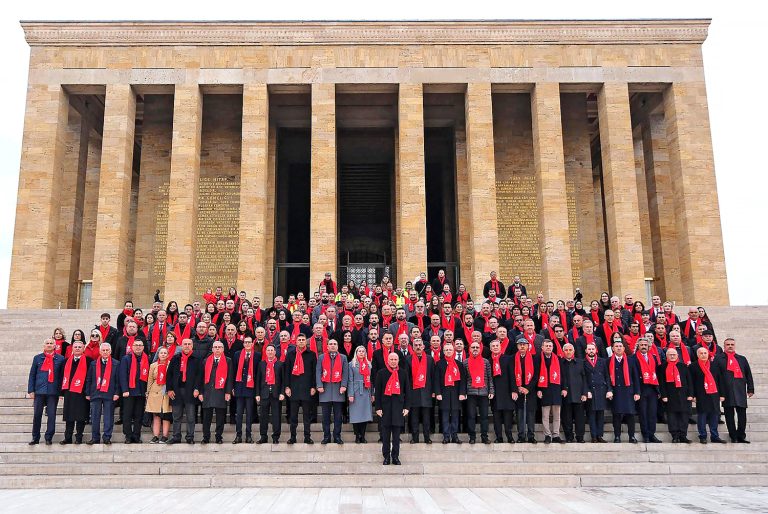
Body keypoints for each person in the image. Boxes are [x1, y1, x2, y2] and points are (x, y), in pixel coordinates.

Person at [375, 352, 411, 465]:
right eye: (391, 359)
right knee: (385, 436)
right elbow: (378, 392)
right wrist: (378, 407)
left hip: (398, 408)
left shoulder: (403, 373)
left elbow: (408, 392)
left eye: (395, 359)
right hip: (385, 409)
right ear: (388, 360)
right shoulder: (381, 373)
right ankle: (386, 457)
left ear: (398, 360)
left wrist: (406, 407)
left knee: (396, 436)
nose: (393, 361)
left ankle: (395, 456)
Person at [718, 338, 755, 443]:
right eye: (728, 344)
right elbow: (717, 376)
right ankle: (733, 436)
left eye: (732, 344)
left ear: (735, 346)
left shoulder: (742, 359)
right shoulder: (718, 359)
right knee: (729, 415)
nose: (730, 346)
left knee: (742, 415)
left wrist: (750, 388)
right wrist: (720, 392)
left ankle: (741, 436)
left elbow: (748, 374)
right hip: (726, 391)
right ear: (724, 346)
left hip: (740, 390)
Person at [285, 333, 318, 444]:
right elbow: (287, 371)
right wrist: (287, 387)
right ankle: (293, 437)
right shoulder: (290, 355)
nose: (301, 341)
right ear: (296, 341)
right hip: (293, 389)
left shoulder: (311, 354)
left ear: (306, 341)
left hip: (307, 389)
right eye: (299, 340)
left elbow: (314, 372)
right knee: (293, 416)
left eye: (303, 339)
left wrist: (314, 386)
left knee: (306, 416)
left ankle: (307, 437)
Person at [167, 338, 201, 444]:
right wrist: (169, 389)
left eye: (189, 344)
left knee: (191, 417)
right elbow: (169, 375)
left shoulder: (197, 359)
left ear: (192, 346)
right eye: (185, 344)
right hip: (177, 391)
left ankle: (190, 437)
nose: (187, 346)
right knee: (176, 416)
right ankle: (176, 436)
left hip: (190, 391)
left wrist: (197, 389)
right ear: (181, 346)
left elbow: (199, 376)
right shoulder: (175, 358)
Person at [198, 341, 234, 444]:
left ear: (223, 349)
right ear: (212, 349)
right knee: (206, 418)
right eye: (215, 347)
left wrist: (228, 392)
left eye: (219, 347)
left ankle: (219, 437)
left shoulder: (228, 361)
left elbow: (230, 378)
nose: (217, 349)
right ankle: (206, 437)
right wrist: (200, 392)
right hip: (207, 393)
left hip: (221, 392)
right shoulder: (206, 361)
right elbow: (201, 378)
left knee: (220, 417)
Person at [690, 346, 726, 444]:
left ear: (708, 354)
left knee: (714, 416)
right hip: (701, 394)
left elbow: (719, 380)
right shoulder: (693, 366)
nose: (703, 355)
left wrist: (722, 394)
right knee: (702, 416)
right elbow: (691, 382)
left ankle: (715, 436)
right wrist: (692, 395)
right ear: (697, 355)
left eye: (705, 353)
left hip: (714, 393)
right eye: (701, 353)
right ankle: (703, 436)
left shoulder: (714, 365)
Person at [85, 342, 120, 445]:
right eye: (103, 350)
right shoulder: (93, 363)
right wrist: (87, 393)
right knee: (95, 417)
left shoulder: (116, 363)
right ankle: (95, 438)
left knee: (108, 417)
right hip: (96, 393)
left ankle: (107, 437)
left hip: (110, 394)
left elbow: (118, 380)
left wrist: (117, 393)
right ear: (100, 351)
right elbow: (89, 379)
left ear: (110, 351)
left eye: (107, 350)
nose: (105, 352)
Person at [316, 339, 349, 444]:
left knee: (338, 417)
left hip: (338, 391)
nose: (333, 345)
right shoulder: (321, 357)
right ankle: (326, 436)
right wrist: (319, 385)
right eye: (331, 344)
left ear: (338, 346)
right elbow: (318, 372)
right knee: (325, 417)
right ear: (327, 346)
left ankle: (337, 436)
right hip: (325, 390)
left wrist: (344, 385)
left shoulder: (343, 358)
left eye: (335, 344)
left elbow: (345, 373)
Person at [608, 339, 640, 443]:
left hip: (628, 391)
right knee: (616, 415)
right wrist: (609, 390)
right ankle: (617, 436)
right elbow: (607, 378)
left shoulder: (631, 360)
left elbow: (635, 378)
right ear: (613, 348)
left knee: (630, 414)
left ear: (624, 348)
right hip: (615, 391)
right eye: (616, 346)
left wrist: (637, 392)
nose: (618, 348)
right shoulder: (608, 361)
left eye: (620, 346)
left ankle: (632, 436)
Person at [659, 348, 693, 443]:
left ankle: (683, 436)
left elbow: (689, 381)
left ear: (678, 355)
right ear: (666, 356)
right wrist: (664, 395)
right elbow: (661, 383)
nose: (672, 356)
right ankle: (675, 436)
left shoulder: (683, 366)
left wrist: (690, 394)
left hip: (683, 395)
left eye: (674, 354)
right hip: (670, 396)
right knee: (672, 417)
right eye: (670, 354)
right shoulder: (662, 367)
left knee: (684, 417)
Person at [434, 342, 466, 444]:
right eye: (446, 350)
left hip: (456, 394)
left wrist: (462, 393)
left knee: (456, 416)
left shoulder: (459, 364)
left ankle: (455, 436)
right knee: (445, 416)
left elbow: (463, 380)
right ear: (443, 351)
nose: (448, 351)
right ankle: (446, 436)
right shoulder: (439, 363)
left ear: (454, 351)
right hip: (444, 394)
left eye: (450, 350)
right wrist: (438, 393)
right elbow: (437, 380)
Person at [119, 338, 149, 444]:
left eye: (140, 345)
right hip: (129, 392)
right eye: (136, 345)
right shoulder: (126, 359)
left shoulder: (146, 359)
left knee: (138, 415)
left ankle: (136, 435)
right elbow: (122, 376)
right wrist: (125, 390)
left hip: (141, 392)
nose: (138, 347)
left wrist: (147, 391)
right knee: (127, 415)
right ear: (132, 347)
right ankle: (128, 436)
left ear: (143, 347)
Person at [59, 340, 90, 445]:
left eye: (79, 347)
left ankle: (79, 438)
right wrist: (61, 392)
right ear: (72, 348)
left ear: (83, 349)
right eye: (75, 347)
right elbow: (61, 377)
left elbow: (90, 378)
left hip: (82, 392)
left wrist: (88, 392)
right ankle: (67, 437)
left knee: (81, 416)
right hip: (69, 392)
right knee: (69, 416)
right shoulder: (66, 361)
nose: (77, 348)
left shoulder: (89, 361)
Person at [464, 339, 494, 444]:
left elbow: (490, 378)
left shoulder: (486, 362)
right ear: (469, 349)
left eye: (477, 347)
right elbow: (464, 379)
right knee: (471, 416)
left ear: (480, 349)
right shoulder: (465, 362)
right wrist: (464, 393)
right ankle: (472, 437)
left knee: (484, 416)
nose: (475, 349)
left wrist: (491, 390)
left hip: (483, 392)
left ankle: (484, 436)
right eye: (473, 347)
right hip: (471, 393)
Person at [407, 338, 435, 444]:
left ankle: (427, 437)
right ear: (413, 347)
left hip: (426, 392)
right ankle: (415, 438)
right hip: (413, 392)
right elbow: (407, 378)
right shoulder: (408, 359)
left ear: (423, 346)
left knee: (426, 418)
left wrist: (433, 391)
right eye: (416, 345)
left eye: (420, 345)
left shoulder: (429, 359)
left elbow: (433, 376)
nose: (418, 347)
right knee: (414, 418)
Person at [537, 340, 565, 444]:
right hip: (544, 389)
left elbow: (563, 375)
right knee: (545, 415)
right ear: (542, 347)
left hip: (556, 389)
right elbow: (535, 374)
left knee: (557, 415)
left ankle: (556, 435)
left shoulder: (558, 359)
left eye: (550, 346)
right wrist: (538, 389)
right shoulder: (538, 359)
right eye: (546, 346)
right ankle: (547, 435)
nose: (548, 347)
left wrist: (564, 388)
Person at [635, 338, 662, 443]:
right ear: (638, 346)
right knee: (643, 413)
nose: (643, 346)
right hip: (641, 389)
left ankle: (652, 434)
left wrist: (658, 390)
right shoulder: (633, 358)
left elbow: (657, 374)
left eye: (645, 345)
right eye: (641, 344)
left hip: (652, 389)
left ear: (649, 346)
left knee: (652, 413)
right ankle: (645, 435)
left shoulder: (654, 358)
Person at [256, 344, 284, 444]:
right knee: (263, 416)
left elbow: (283, 380)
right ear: (266, 352)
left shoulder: (280, 364)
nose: (270, 352)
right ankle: (263, 436)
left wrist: (282, 393)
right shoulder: (261, 364)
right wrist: (257, 394)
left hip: (276, 394)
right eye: (268, 350)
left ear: (275, 352)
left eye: (272, 350)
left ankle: (276, 436)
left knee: (276, 416)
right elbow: (258, 379)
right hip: (264, 393)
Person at [232, 336, 259, 444]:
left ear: (252, 343)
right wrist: (232, 387)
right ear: (243, 344)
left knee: (249, 413)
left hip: (250, 388)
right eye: (245, 342)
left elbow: (258, 374)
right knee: (238, 413)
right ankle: (238, 435)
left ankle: (248, 435)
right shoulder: (237, 354)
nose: (247, 344)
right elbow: (233, 371)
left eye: (249, 342)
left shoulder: (257, 355)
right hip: (239, 387)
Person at [560, 342, 588, 443]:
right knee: (566, 418)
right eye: (566, 350)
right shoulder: (560, 363)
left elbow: (585, 379)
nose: (568, 352)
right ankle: (569, 437)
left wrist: (585, 393)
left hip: (579, 395)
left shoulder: (580, 362)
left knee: (580, 418)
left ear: (574, 351)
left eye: (570, 350)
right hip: (565, 395)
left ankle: (580, 437)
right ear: (563, 351)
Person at [583, 342, 610, 443]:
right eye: (589, 349)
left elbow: (607, 376)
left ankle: (600, 435)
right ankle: (593, 436)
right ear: (586, 351)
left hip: (601, 390)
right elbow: (583, 378)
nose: (591, 351)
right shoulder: (583, 362)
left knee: (600, 415)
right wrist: (586, 391)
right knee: (591, 415)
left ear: (596, 350)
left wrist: (609, 390)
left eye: (592, 349)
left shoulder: (602, 361)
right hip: (590, 391)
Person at [513, 339, 538, 443]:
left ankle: (531, 436)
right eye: (520, 345)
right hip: (519, 390)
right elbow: (512, 375)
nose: (522, 346)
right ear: (517, 346)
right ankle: (521, 436)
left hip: (530, 391)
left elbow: (536, 376)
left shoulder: (534, 359)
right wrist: (518, 387)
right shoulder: (513, 358)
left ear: (528, 346)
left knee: (531, 415)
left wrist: (528, 388)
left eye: (524, 345)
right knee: (520, 414)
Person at [146, 346, 172, 443]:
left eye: (165, 353)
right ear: (158, 354)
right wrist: (148, 392)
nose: (163, 355)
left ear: (168, 355)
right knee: (156, 414)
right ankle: (156, 436)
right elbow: (150, 379)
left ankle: (165, 436)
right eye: (161, 353)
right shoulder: (153, 365)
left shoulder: (171, 364)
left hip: (166, 391)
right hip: (155, 391)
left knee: (166, 414)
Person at [348, 346, 373, 443]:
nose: (361, 353)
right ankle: (357, 435)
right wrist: (350, 394)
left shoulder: (369, 364)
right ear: (356, 352)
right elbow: (350, 380)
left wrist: (372, 394)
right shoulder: (352, 364)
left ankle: (363, 435)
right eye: (359, 351)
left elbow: (371, 380)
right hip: (356, 390)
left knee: (365, 414)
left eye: (363, 351)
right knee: (356, 414)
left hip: (366, 390)